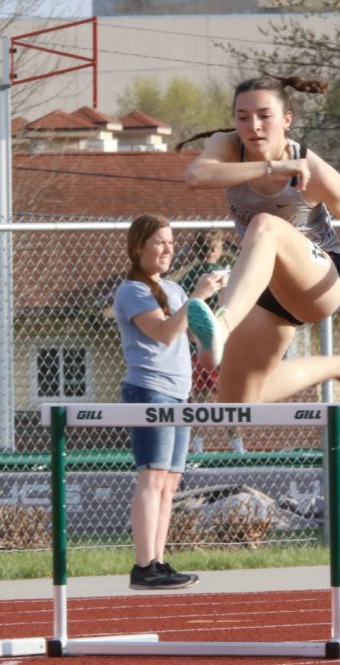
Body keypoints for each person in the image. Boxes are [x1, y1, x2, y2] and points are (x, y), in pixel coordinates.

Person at [179, 74, 340, 407]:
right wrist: (270, 167)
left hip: (318, 280)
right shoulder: (228, 146)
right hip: (265, 288)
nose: (253, 126)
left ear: (287, 120)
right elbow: (196, 176)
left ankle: (222, 326)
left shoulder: (313, 172)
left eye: (264, 116)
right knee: (237, 401)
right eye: (242, 118)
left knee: (265, 226)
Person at [113, 214, 226, 590]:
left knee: (170, 482)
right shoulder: (133, 290)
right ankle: (143, 565)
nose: (167, 249)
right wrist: (197, 299)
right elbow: (163, 334)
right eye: (159, 242)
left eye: (171, 243)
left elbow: (200, 342)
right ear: (138, 247)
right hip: (149, 389)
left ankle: (158, 562)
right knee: (152, 475)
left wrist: (218, 322)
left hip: (180, 393)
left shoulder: (175, 291)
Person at [178, 231, 245, 453]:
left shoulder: (189, 278)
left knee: (198, 396)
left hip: (195, 347)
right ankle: (237, 444)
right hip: (222, 344)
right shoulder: (223, 274)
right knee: (229, 396)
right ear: (216, 250)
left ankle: (197, 444)